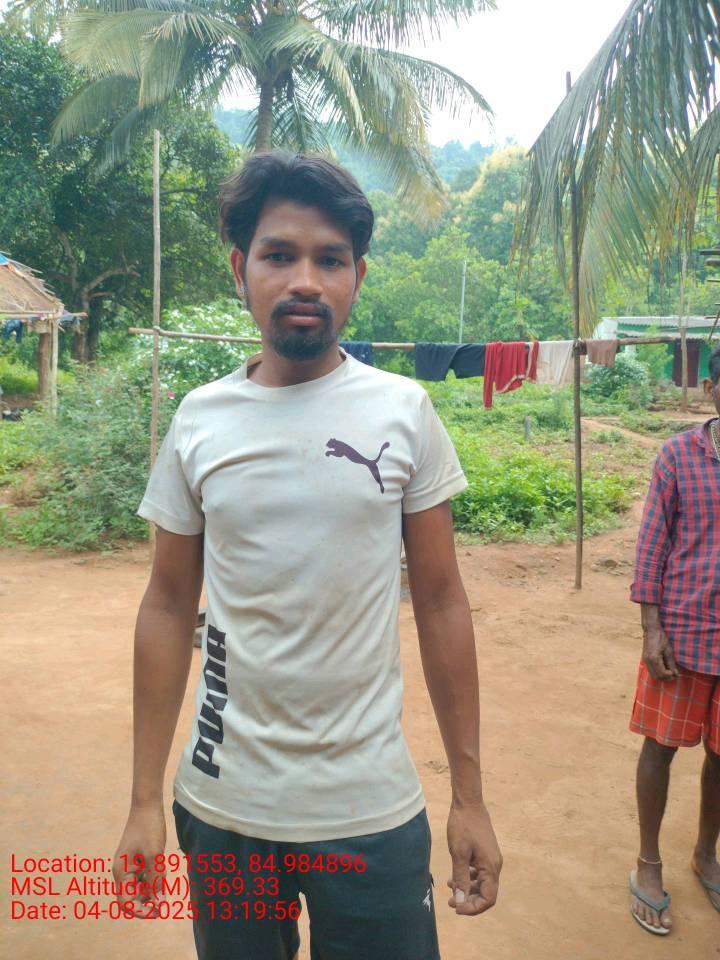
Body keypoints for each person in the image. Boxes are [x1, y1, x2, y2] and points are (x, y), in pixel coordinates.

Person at [112, 152, 502, 960]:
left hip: (371, 811)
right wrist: (144, 798)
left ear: (358, 276)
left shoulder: (404, 412)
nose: (304, 281)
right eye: (279, 254)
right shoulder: (200, 420)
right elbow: (167, 603)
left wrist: (469, 796)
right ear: (240, 269)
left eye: (330, 260)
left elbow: (441, 602)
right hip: (225, 807)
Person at [628, 344, 720, 935]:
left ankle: (706, 854)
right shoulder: (679, 456)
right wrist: (651, 628)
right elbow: (652, 545)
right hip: (684, 635)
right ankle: (648, 862)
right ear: (712, 390)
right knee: (660, 748)